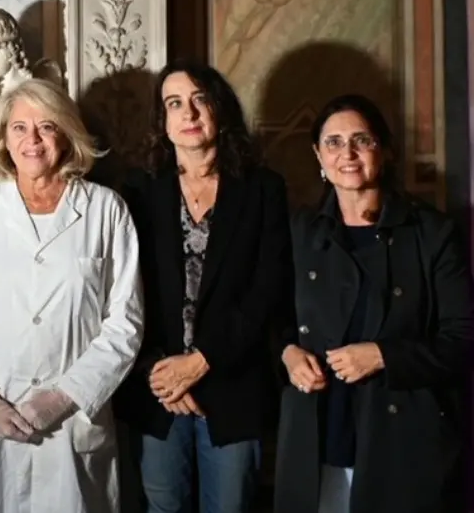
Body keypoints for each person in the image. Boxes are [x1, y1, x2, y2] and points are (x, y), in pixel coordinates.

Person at [0, 77, 144, 513]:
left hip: (71, 430)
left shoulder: (107, 211)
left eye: (46, 126)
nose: (32, 140)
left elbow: (125, 325)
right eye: (18, 128)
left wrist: (63, 396)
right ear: (4, 141)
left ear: (67, 135)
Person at [274, 94, 473, 513]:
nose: (347, 153)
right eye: (333, 142)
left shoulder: (432, 233)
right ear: (318, 156)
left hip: (402, 439)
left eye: (361, 140)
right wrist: (288, 353)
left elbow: (462, 338)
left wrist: (384, 355)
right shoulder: (299, 232)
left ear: (383, 148)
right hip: (317, 432)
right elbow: (272, 319)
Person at [113, 60, 293, 513]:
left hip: (233, 386)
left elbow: (266, 290)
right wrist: (162, 372)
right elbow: (121, 289)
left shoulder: (263, 189)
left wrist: (202, 362)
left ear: (220, 110)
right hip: (158, 390)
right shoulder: (136, 191)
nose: (188, 114)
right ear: (162, 121)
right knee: (162, 506)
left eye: (200, 100)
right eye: (174, 104)